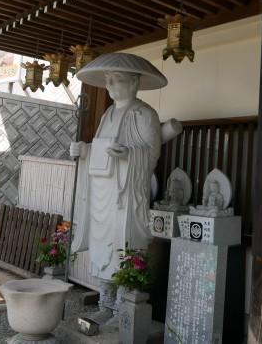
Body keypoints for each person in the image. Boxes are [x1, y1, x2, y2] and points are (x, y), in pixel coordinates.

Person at [69, 53, 167, 323]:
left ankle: (124, 305)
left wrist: (128, 154)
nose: (111, 86)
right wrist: (84, 150)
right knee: (102, 247)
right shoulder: (107, 114)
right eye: (108, 80)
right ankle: (105, 302)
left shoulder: (145, 114)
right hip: (103, 191)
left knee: (123, 245)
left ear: (134, 83)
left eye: (118, 80)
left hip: (126, 193)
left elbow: (152, 155)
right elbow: (100, 149)